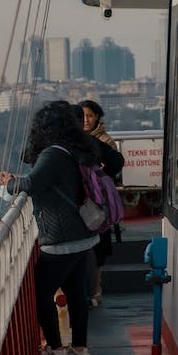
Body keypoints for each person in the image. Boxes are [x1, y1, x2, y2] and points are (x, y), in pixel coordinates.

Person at [0, 101, 107, 355]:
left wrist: (6, 182)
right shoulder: (77, 149)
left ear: (45, 127)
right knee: (77, 295)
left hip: (60, 239)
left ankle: (57, 352)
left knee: (39, 294)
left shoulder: (52, 154)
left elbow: (31, 184)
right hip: (83, 235)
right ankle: (80, 350)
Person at [81, 99, 120, 303]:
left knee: (98, 249)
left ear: (97, 117)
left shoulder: (105, 142)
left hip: (99, 202)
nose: (86, 120)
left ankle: (96, 290)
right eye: (82, 115)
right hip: (83, 203)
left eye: (90, 115)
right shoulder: (76, 141)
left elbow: (111, 169)